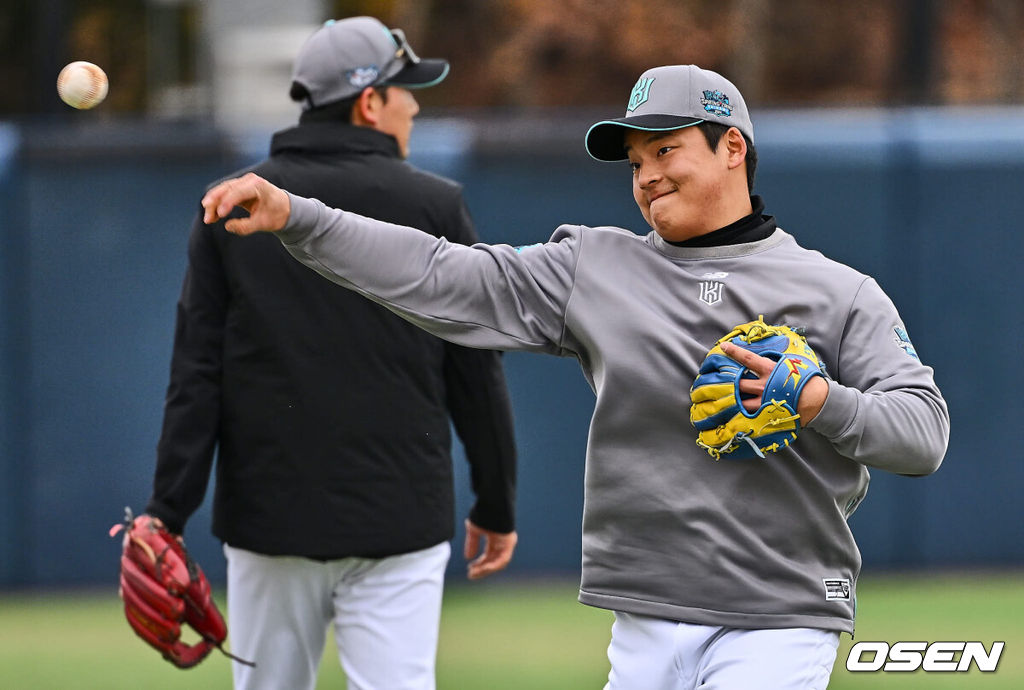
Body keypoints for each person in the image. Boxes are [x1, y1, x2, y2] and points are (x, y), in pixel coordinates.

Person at [201, 64, 950, 689]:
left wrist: (819, 399)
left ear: (731, 147)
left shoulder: (840, 292)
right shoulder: (597, 266)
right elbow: (440, 275)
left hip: (781, 616)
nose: (648, 176)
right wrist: (299, 216)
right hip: (644, 618)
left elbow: (922, 433)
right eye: (635, 163)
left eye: (665, 151)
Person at [143, 16, 519, 690]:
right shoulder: (435, 203)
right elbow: (475, 369)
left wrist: (168, 511)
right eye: (406, 90)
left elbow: (197, 375)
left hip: (270, 520)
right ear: (369, 101)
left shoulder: (236, 202)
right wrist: (496, 499)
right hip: (399, 518)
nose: (415, 104)